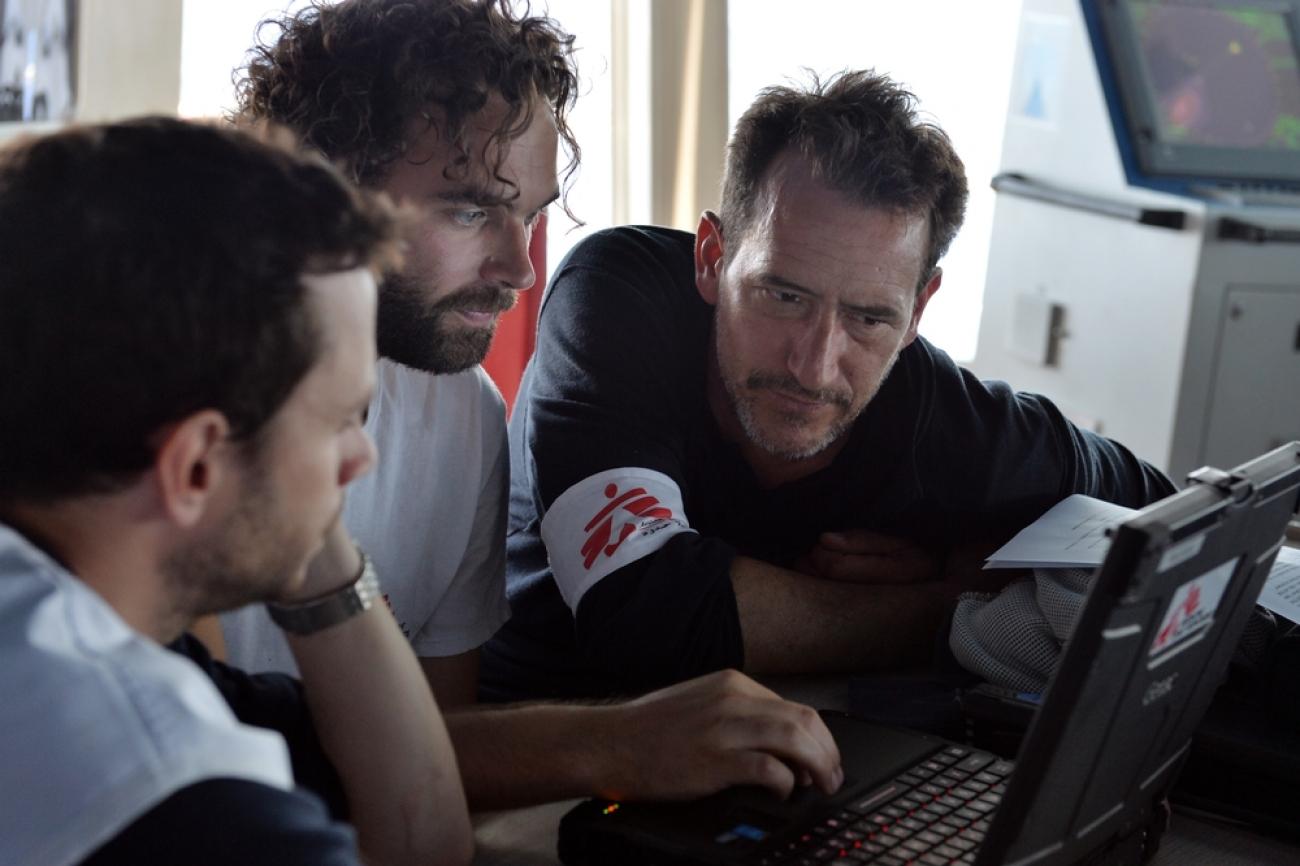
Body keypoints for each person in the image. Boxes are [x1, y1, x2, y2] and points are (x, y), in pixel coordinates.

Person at [224, 0, 842, 810]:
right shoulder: (168, 417)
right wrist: (612, 743)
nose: (522, 269)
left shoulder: (463, 414)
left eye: (533, 215)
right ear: (319, 189)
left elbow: (429, 780)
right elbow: (196, 769)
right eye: (472, 209)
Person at [482, 70, 1177, 702]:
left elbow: (1161, 511)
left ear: (918, 311)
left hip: (812, 752)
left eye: (870, 317)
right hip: (547, 748)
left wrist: (975, 552)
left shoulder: (929, 406)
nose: (814, 365)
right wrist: (949, 604)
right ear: (712, 257)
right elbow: (643, 613)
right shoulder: (622, 296)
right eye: (783, 297)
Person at [0, 118, 471, 866]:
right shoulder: (183, 807)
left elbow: (419, 828)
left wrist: (295, 493)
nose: (363, 456)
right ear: (192, 469)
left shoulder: (58, 619)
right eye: (344, 419)